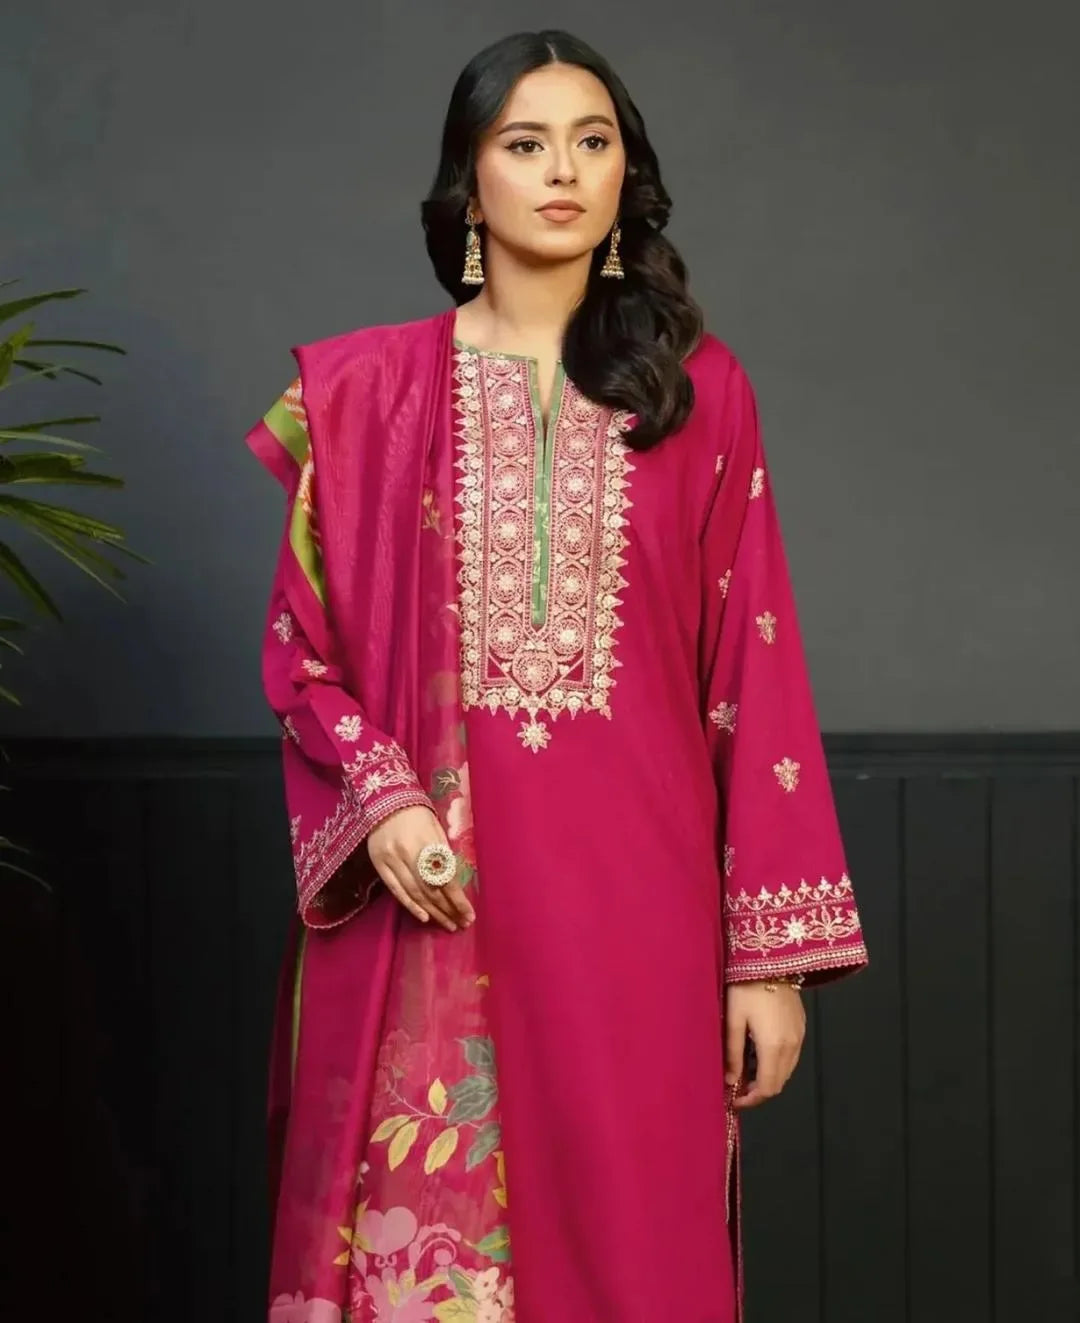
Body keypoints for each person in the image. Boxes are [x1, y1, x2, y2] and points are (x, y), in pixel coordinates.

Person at [248, 29, 868, 1323]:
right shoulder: (360, 395)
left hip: (637, 914)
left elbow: (757, 670)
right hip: (438, 907)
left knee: (636, 1249)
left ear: (627, 177)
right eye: (523, 144)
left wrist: (767, 962)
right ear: (468, 186)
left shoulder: (696, 393)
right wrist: (390, 801)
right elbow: (301, 653)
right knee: (423, 1238)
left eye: (594, 142)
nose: (563, 172)